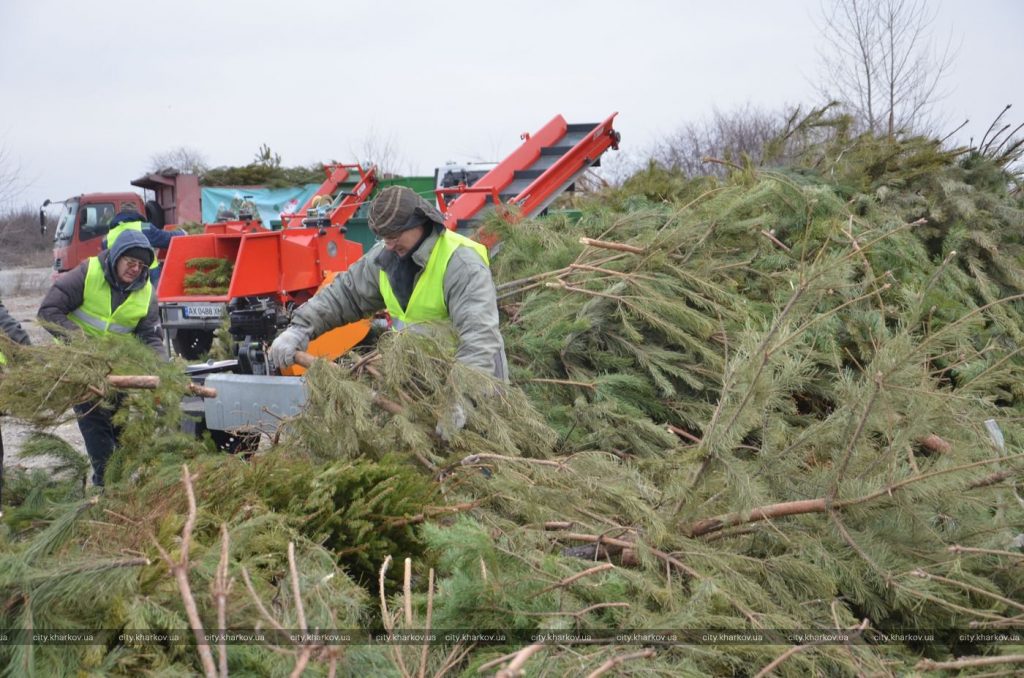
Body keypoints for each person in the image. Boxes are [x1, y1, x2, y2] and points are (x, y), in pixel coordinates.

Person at [268, 186, 508, 382]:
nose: (389, 245)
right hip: (419, 383)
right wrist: (300, 329)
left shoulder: (461, 264)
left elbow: (479, 339)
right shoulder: (385, 257)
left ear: (419, 223)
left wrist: (465, 399)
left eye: (394, 236)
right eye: (384, 238)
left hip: (472, 383)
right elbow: (345, 294)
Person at [38, 230, 166, 486]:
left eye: (141, 265)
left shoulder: (145, 292)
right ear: (116, 256)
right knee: (99, 437)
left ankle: (117, 489)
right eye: (130, 262)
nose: (135, 269)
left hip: (119, 372)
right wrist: (83, 345)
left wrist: (164, 369)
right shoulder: (88, 273)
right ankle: (105, 491)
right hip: (83, 370)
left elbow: (150, 336)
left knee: (121, 436)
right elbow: (48, 311)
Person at [102, 208, 186, 285]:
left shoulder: (108, 236)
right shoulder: (143, 226)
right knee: (152, 298)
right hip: (148, 275)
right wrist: (182, 233)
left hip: (121, 277)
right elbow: (165, 238)